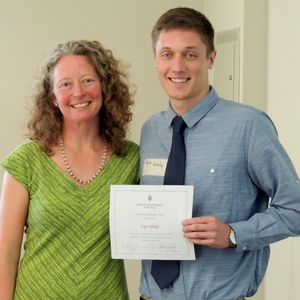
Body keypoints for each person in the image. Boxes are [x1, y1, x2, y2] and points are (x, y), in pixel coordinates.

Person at [139, 7, 300, 300]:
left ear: (211, 58)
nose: (177, 67)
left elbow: (296, 209)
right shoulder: (150, 130)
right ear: (155, 59)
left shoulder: (249, 125)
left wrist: (234, 235)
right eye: (167, 54)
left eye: (190, 54)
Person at [0, 40, 139, 299]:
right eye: (65, 84)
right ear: (53, 98)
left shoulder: (131, 160)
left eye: (88, 80)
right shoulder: (26, 161)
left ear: (105, 88)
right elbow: (5, 255)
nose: (78, 92)